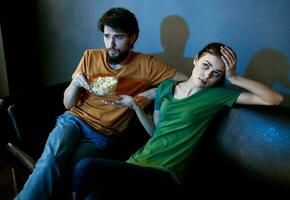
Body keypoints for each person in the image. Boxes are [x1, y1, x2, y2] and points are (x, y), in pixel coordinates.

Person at [72, 42, 284, 200]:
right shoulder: (166, 89)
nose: (207, 75)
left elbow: (275, 99)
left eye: (216, 73)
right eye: (205, 65)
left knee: (85, 166)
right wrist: (136, 106)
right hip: (137, 163)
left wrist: (235, 78)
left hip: (165, 174)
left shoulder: (218, 96)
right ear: (196, 59)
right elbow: (155, 133)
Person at [14, 7, 187, 200]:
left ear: (133, 37)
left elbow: (187, 81)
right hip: (74, 120)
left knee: (67, 171)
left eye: (118, 37)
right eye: (106, 36)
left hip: (103, 135)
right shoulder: (90, 57)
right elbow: (67, 104)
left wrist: (151, 92)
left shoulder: (148, 64)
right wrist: (75, 83)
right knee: (49, 163)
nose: (110, 44)